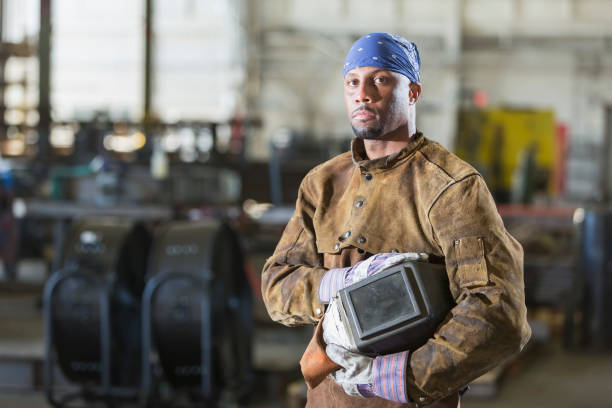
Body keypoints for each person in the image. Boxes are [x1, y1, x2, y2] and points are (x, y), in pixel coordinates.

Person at [261, 32, 531, 407]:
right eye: (352, 82)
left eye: (381, 79)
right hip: (328, 400)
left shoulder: (451, 187)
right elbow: (277, 285)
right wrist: (340, 283)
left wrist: (401, 377)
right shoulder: (322, 184)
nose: (363, 93)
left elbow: (498, 311)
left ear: (413, 91)